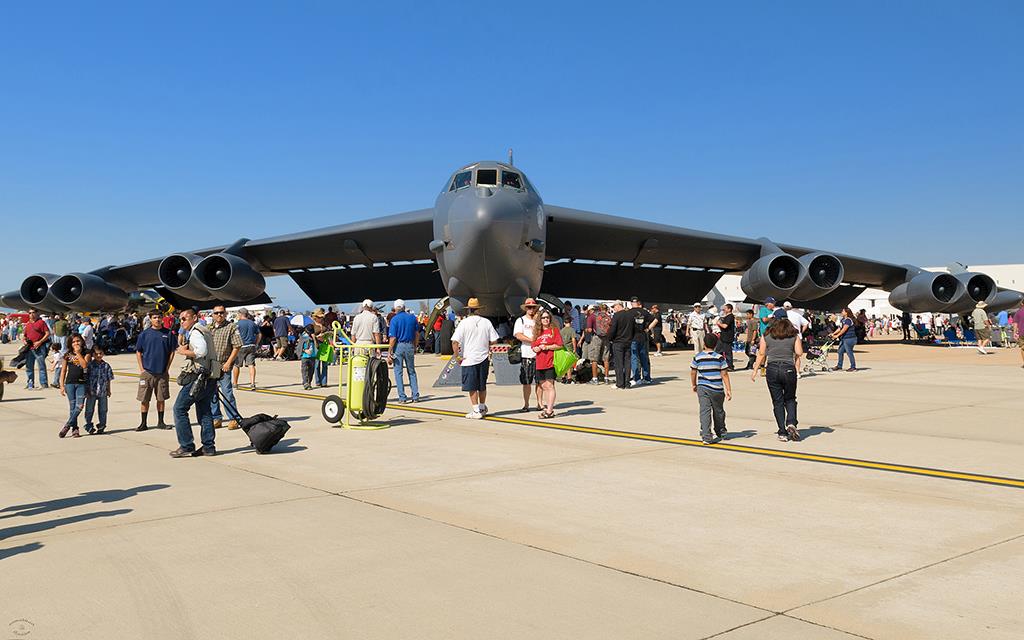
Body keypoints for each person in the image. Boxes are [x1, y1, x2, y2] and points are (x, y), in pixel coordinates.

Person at [170, 308, 218, 458]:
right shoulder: (205, 330)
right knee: (204, 411)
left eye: (185, 318)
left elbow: (201, 351)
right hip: (210, 377)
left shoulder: (196, 331)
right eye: (181, 319)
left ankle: (186, 445)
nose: (182, 321)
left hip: (198, 377)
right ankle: (208, 447)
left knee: (179, 409)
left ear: (195, 318)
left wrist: (184, 351)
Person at [751, 315, 804, 442]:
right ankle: (791, 422)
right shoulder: (793, 336)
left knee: (777, 401)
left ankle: (782, 432)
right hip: (789, 369)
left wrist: (755, 370)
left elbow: (761, 353)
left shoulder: (767, 335)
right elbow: (799, 352)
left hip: (772, 369)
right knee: (790, 398)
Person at [451, 298, 499, 419]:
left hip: (469, 358)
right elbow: (494, 340)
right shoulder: (486, 322)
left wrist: (457, 356)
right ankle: (482, 407)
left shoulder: (464, 323)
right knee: (482, 385)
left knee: (471, 386)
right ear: (478, 309)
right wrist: (488, 348)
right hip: (483, 357)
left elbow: (455, 341)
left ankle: (476, 409)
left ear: (468, 310)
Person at [135, 309, 176, 431]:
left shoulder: (168, 334)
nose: (157, 319)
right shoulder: (144, 334)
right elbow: (138, 351)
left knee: (161, 398)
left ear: (162, 318)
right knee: (144, 399)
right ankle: (143, 423)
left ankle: (161, 422)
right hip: (147, 372)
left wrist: (167, 367)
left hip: (162, 372)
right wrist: (142, 369)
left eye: (159, 317)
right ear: (150, 319)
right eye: (154, 317)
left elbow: (172, 351)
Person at [690, 333, 731, 444]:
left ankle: (706, 435)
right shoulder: (719, 358)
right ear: (716, 344)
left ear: (704, 343)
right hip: (717, 388)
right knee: (718, 411)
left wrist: (693, 384)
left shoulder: (698, 357)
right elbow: (725, 374)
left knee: (704, 411)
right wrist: (728, 390)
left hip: (702, 387)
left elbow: (693, 372)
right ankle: (720, 430)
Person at [207, 305, 242, 429]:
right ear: (213, 314)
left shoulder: (231, 327)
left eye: (221, 313)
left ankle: (234, 418)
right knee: (212, 393)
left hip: (224, 364)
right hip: (212, 365)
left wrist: (228, 363)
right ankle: (216, 417)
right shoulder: (209, 328)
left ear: (226, 314)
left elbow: (237, 346)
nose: (219, 315)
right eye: (216, 313)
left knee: (227, 392)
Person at [532, 309, 564, 418]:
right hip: (540, 362)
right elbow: (533, 345)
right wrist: (535, 348)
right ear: (539, 320)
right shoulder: (537, 332)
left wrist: (547, 347)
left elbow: (560, 345)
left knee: (550, 385)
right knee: (543, 385)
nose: (545, 319)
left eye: (547, 317)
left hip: (550, 361)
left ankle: (549, 411)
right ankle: (548, 408)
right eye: (543, 318)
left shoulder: (554, 330)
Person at [387, 299, 420, 403]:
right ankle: (415, 396)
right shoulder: (412, 318)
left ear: (396, 308)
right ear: (404, 307)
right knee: (411, 371)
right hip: (410, 345)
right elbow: (417, 334)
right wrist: (415, 346)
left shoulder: (395, 319)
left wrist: (389, 351)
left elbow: (393, 338)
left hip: (399, 347)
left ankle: (402, 397)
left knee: (398, 372)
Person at [58, 334, 91, 438]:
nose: (76, 343)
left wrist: (78, 353)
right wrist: (61, 385)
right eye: (73, 342)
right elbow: (63, 371)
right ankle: (75, 429)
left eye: (78, 341)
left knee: (79, 406)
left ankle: (67, 425)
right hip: (70, 383)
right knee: (72, 408)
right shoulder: (67, 355)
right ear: (70, 344)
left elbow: (84, 365)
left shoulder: (87, 353)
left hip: (81, 383)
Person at [513, 298, 542, 412]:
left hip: (539, 354)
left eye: (533, 307)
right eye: (529, 307)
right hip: (527, 354)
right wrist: (532, 340)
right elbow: (518, 335)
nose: (531, 309)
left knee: (540, 382)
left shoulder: (539, 321)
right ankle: (526, 404)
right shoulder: (521, 320)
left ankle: (540, 403)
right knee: (526, 382)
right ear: (525, 308)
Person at [83, 345, 114, 435]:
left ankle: (102, 425)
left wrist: (109, 390)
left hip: (103, 391)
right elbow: (86, 379)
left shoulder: (106, 366)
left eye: (100, 353)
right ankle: (89, 425)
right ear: (93, 355)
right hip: (91, 392)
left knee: (103, 410)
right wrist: (86, 391)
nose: (99, 356)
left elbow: (108, 379)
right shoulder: (90, 366)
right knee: (89, 410)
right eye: (96, 354)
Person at [608, 300, 635, 389]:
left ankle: (620, 383)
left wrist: (610, 339)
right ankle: (627, 383)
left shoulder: (617, 316)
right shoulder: (631, 315)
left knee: (619, 363)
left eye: (614, 307)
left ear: (618, 306)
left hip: (618, 342)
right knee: (627, 362)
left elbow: (612, 329)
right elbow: (634, 328)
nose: (614, 309)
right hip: (628, 341)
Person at [629, 297, 655, 386]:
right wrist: (648, 328)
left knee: (634, 358)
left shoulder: (629, 312)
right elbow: (655, 320)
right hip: (643, 337)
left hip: (633, 338)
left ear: (632, 303)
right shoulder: (644, 312)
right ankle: (647, 378)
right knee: (644, 358)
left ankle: (636, 378)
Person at [22, 309, 51, 390]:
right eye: (30, 313)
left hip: (39, 347)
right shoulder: (28, 324)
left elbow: (48, 333)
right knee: (29, 367)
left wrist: (40, 341)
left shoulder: (41, 322)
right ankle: (30, 383)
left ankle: (44, 383)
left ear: (37, 313)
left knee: (41, 366)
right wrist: (24, 341)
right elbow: (24, 336)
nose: (31, 314)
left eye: (33, 312)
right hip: (30, 348)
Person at [232, 308, 259, 390]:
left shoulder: (237, 324)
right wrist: (256, 343)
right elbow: (259, 334)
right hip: (251, 345)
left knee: (237, 365)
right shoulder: (252, 323)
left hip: (241, 346)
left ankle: (235, 383)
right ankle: (252, 383)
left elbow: (234, 335)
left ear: (240, 314)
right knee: (251, 365)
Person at [311, 309, 330, 387]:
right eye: (319, 317)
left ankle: (324, 382)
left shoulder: (325, 324)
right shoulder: (312, 325)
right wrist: (316, 337)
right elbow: (310, 335)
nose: (321, 319)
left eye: (322, 317)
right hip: (317, 345)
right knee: (317, 364)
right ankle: (318, 381)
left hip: (325, 344)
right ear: (315, 317)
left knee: (325, 364)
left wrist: (326, 334)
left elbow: (330, 332)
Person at [558, 310, 578, 383]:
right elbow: (573, 340)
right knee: (569, 364)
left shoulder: (561, 330)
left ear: (564, 323)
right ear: (571, 323)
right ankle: (569, 378)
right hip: (569, 348)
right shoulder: (572, 330)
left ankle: (563, 377)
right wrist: (575, 348)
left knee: (563, 363)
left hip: (562, 348)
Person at [715, 304, 736, 369]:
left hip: (727, 337)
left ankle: (730, 366)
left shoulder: (730, 316)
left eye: (725, 308)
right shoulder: (726, 317)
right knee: (718, 351)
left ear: (729, 309)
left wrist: (719, 323)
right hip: (723, 336)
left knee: (727, 352)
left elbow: (725, 326)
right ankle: (720, 364)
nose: (724, 310)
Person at [299, 325, 317, 389]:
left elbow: (317, 346)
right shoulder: (303, 337)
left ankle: (308, 383)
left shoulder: (314, 338)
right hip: (305, 356)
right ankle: (306, 383)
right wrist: (305, 350)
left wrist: (314, 339)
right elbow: (299, 347)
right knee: (304, 370)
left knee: (311, 371)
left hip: (312, 356)